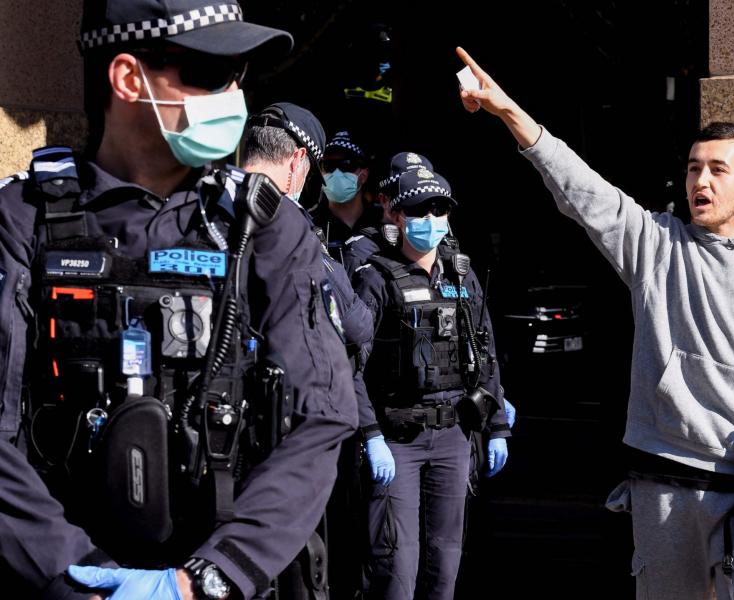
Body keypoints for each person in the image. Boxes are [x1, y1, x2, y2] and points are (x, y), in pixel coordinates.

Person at [455, 47, 734, 599]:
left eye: (717, 170)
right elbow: (581, 189)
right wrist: (508, 113)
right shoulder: (657, 243)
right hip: (663, 483)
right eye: (693, 169)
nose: (700, 182)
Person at [0, 2, 358, 599]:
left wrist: (209, 580)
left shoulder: (263, 227)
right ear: (127, 78)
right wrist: (75, 579)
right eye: (213, 72)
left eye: (240, 74)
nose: (234, 93)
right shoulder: (23, 221)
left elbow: (322, 415)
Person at [354, 167, 510, 600]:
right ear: (399, 216)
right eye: (422, 210)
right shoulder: (376, 277)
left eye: (440, 209)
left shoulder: (462, 276)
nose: (433, 218)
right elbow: (352, 366)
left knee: (445, 565)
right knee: (396, 568)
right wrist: (370, 435)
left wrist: (497, 428)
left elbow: (486, 350)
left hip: (453, 436)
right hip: (397, 438)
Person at [241, 102, 376, 600]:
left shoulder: (198, 213)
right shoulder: (296, 230)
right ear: (298, 162)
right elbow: (357, 325)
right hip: (288, 444)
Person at [315, 130, 383, 263]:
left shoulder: (381, 222)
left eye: (346, 164)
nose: (337, 172)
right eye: (329, 165)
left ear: (363, 175)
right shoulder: (309, 225)